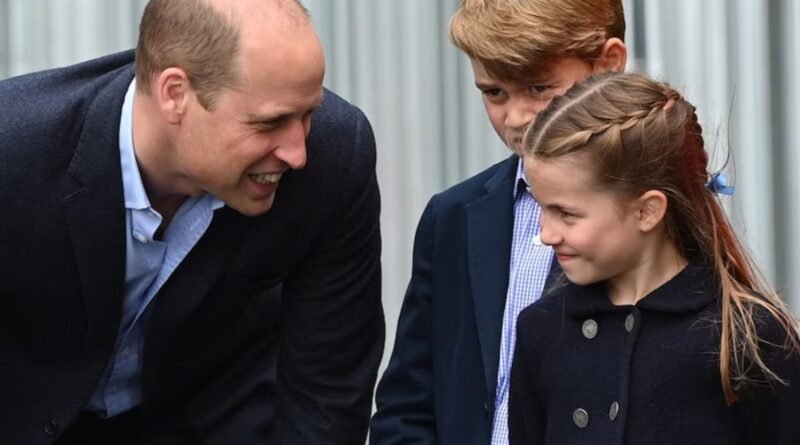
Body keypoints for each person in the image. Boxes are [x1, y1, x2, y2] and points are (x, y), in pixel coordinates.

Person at [0, 0, 384, 443]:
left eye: (308, 115)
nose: (297, 153)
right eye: (270, 123)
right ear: (175, 94)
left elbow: (327, 394)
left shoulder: (335, 157)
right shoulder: (15, 152)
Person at [370, 1, 627, 443]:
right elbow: (407, 403)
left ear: (609, 64)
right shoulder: (453, 217)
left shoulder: (651, 218)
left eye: (540, 87)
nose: (516, 118)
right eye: (494, 93)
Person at [509, 71, 800, 444]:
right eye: (541, 209)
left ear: (647, 211)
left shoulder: (750, 336)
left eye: (567, 214)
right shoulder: (542, 329)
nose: (546, 235)